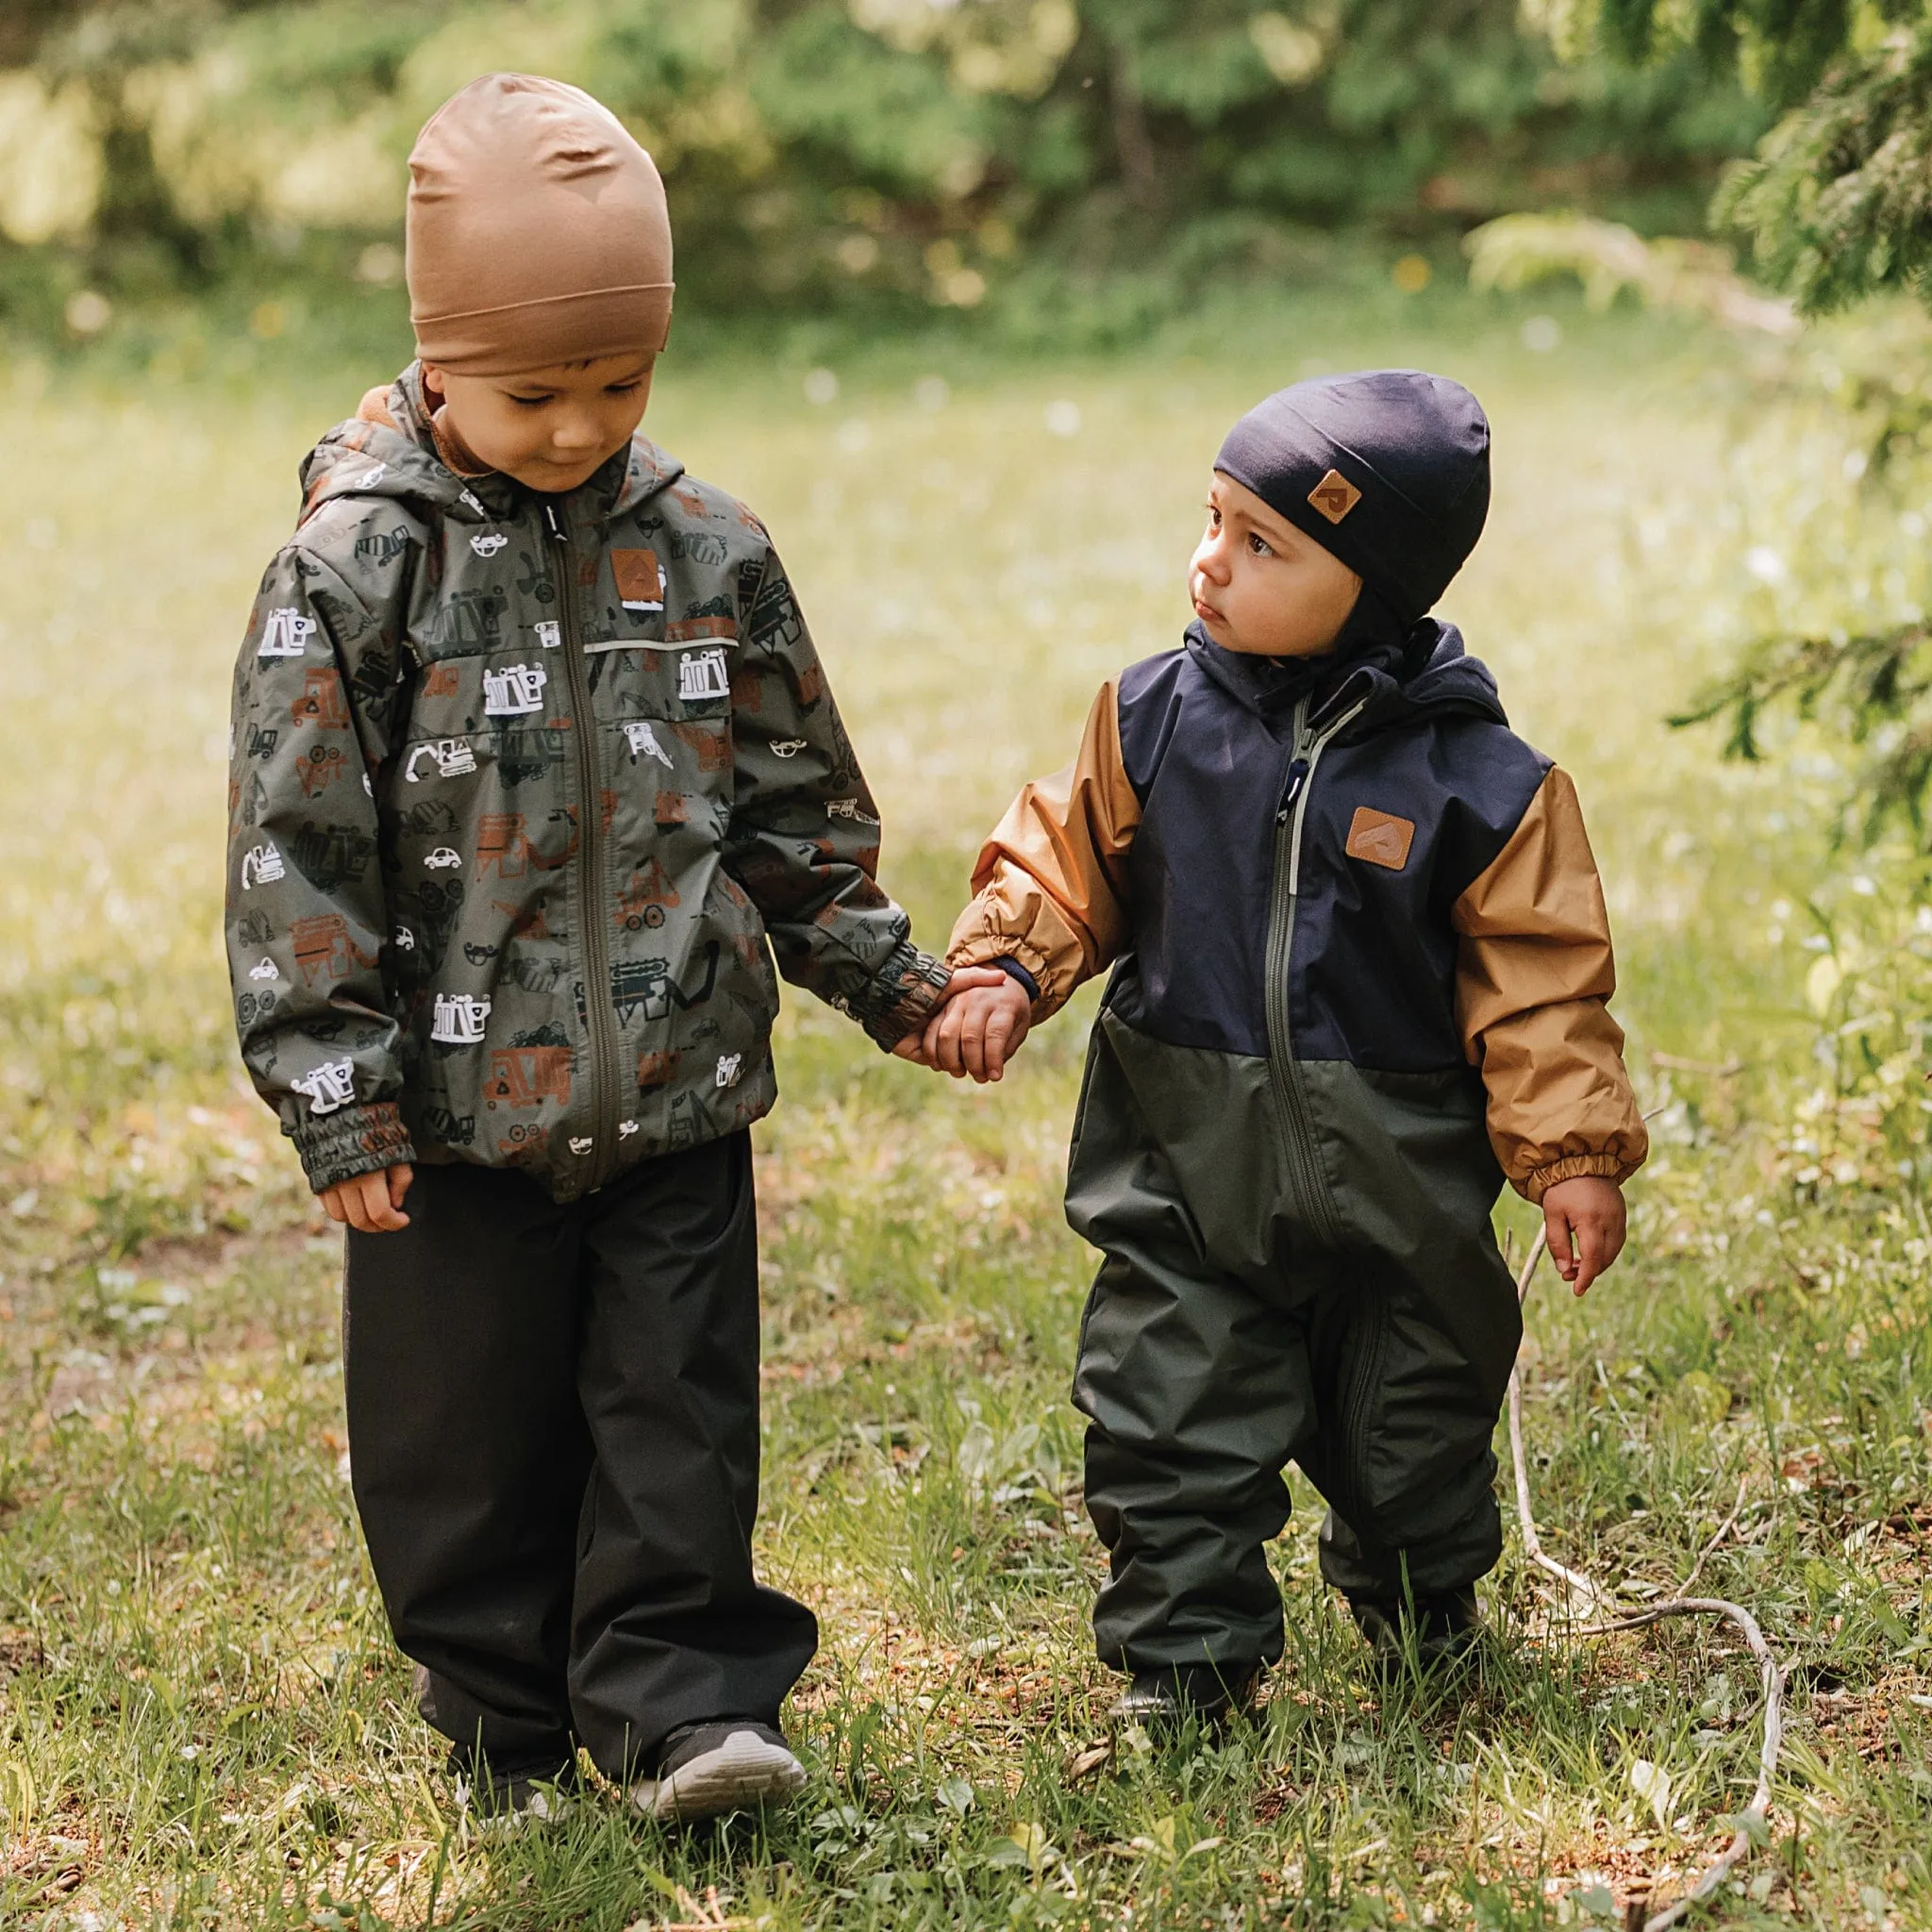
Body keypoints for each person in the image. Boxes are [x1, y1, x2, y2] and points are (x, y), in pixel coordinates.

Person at [224, 74, 994, 1821]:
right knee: (457, 1436)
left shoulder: (710, 550)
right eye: (531, 391)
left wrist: (883, 973)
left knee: (679, 1418)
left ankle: (687, 1705)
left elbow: (794, 809)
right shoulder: (356, 574)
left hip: (678, 1077)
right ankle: (498, 1712)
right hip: (450, 1106)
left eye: (619, 382)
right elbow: (297, 854)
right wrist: (338, 1094)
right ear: (434, 357)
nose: (579, 425)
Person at [920, 371, 1648, 1726]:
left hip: (1403, 1194)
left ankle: (1424, 1607)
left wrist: (1571, 1155)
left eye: (1265, 544)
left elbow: (1542, 987)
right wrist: (1006, 968)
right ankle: (1186, 1668)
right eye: (1212, 519)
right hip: (1185, 1173)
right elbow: (1062, 856)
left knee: (1416, 1433)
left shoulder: (1483, 787)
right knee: (1166, 1417)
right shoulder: (1153, 719)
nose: (1211, 561)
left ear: (1373, 585)